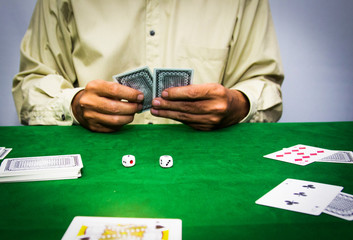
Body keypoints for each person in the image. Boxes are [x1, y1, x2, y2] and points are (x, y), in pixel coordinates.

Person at [12, 0, 284, 133]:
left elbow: (262, 84)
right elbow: (31, 84)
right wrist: (73, 104)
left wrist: (238, 103)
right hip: (94, 164)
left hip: (208, 165)